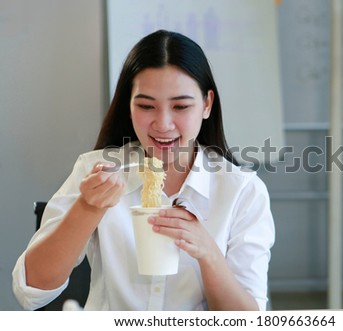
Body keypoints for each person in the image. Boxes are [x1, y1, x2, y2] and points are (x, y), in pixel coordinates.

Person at [12, 30, 275, 311]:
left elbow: (249, 321)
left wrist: (209, 254)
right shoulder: (95, 170)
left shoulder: (242, 191)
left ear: (207, 104)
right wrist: (87, 208)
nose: (163, 124)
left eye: (181, 106)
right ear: (129, 105)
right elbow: (32, 290)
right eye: (146, 106)